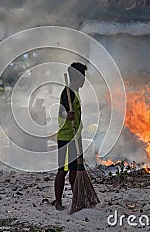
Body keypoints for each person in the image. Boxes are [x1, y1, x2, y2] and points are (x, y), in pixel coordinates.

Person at [53, 62, 87, 211]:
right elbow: (61, 111)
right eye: (83, 77)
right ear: (78, 77)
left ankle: (76, 199)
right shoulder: (67, 93)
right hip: (66, 137)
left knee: (75, 169)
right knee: (63, 170)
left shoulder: (75, 92)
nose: (85, 80)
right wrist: (66, 115)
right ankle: (58, 201)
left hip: (75, 136)